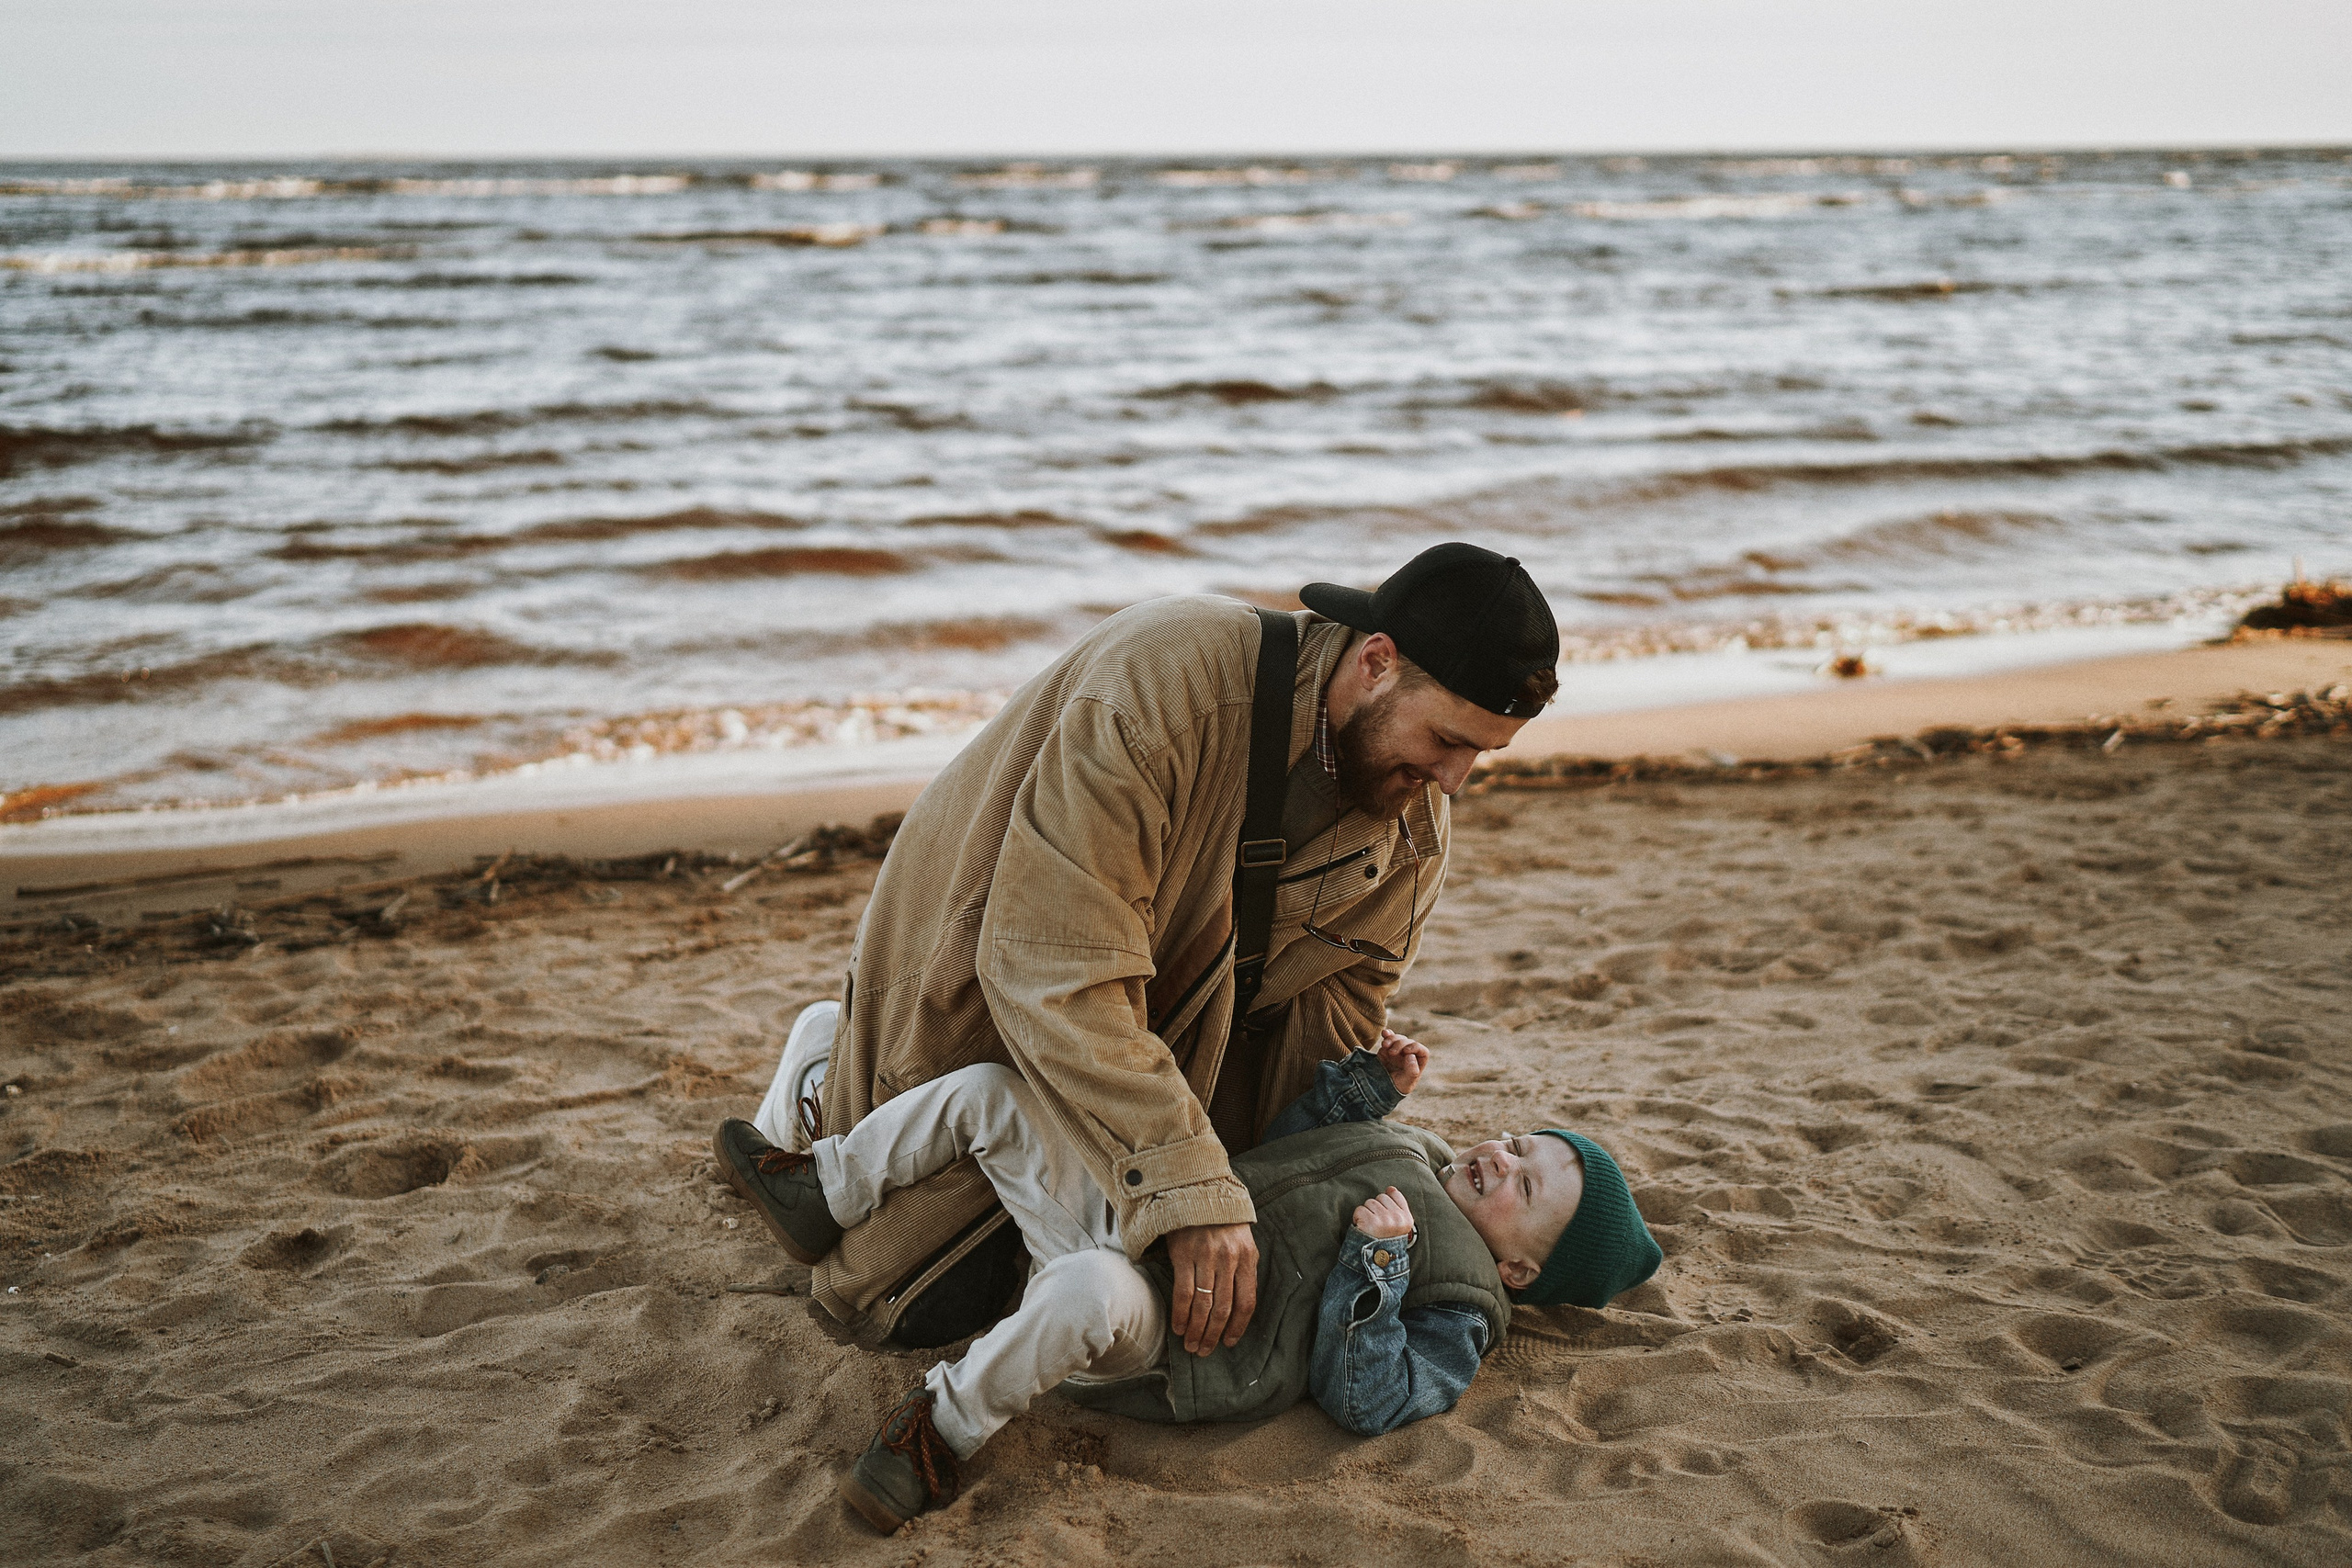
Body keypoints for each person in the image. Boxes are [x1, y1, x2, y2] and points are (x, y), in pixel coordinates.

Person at [757, 542, 1564, 1357]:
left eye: (1481, 754)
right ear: (1378, 663)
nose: (1456, 779)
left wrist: (1277, 1211)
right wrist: (1189, 1190)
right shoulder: (1163, 689)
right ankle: (819, 1073)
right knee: (909, 1298)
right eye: (1448, 739)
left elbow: (1333, 1028)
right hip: (974, 999)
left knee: (1098, 1293)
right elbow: (1052, 966)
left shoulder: (1415, 828)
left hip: (1147, 1043)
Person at [711, 1023, 1662, 1533]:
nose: (1502, 1156)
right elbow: (1287, 1158)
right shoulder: (1417, 1147)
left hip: (1162, 1333)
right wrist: (1363, 1095)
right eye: (1522, 1141)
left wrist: (1377, 1267)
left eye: (1527, 1183)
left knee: (1082, 1289)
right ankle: (824, 1190)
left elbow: (1370, 1398)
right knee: (993, 1094)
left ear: (1519, 1266)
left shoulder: (1461, 1302)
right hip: (1148, 1225)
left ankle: (931, 1433)